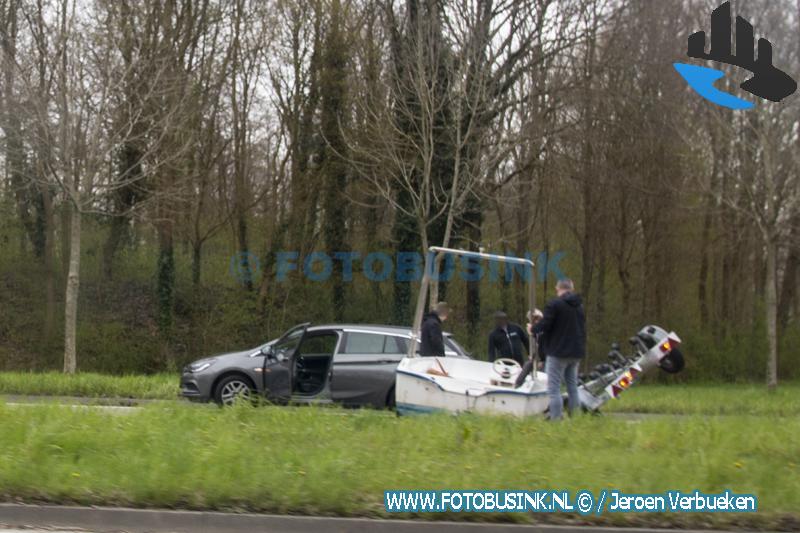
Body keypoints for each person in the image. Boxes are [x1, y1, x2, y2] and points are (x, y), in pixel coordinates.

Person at [528, 279, 586, 420]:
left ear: (558, 288)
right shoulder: (579, 306)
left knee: (554, 389)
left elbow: (546, 324)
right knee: (572, 387)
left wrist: (533, 329)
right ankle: (575, 418)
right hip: (576, 352)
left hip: (558, 352)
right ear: (571, 288)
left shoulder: (555, 304)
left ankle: (556, 419)